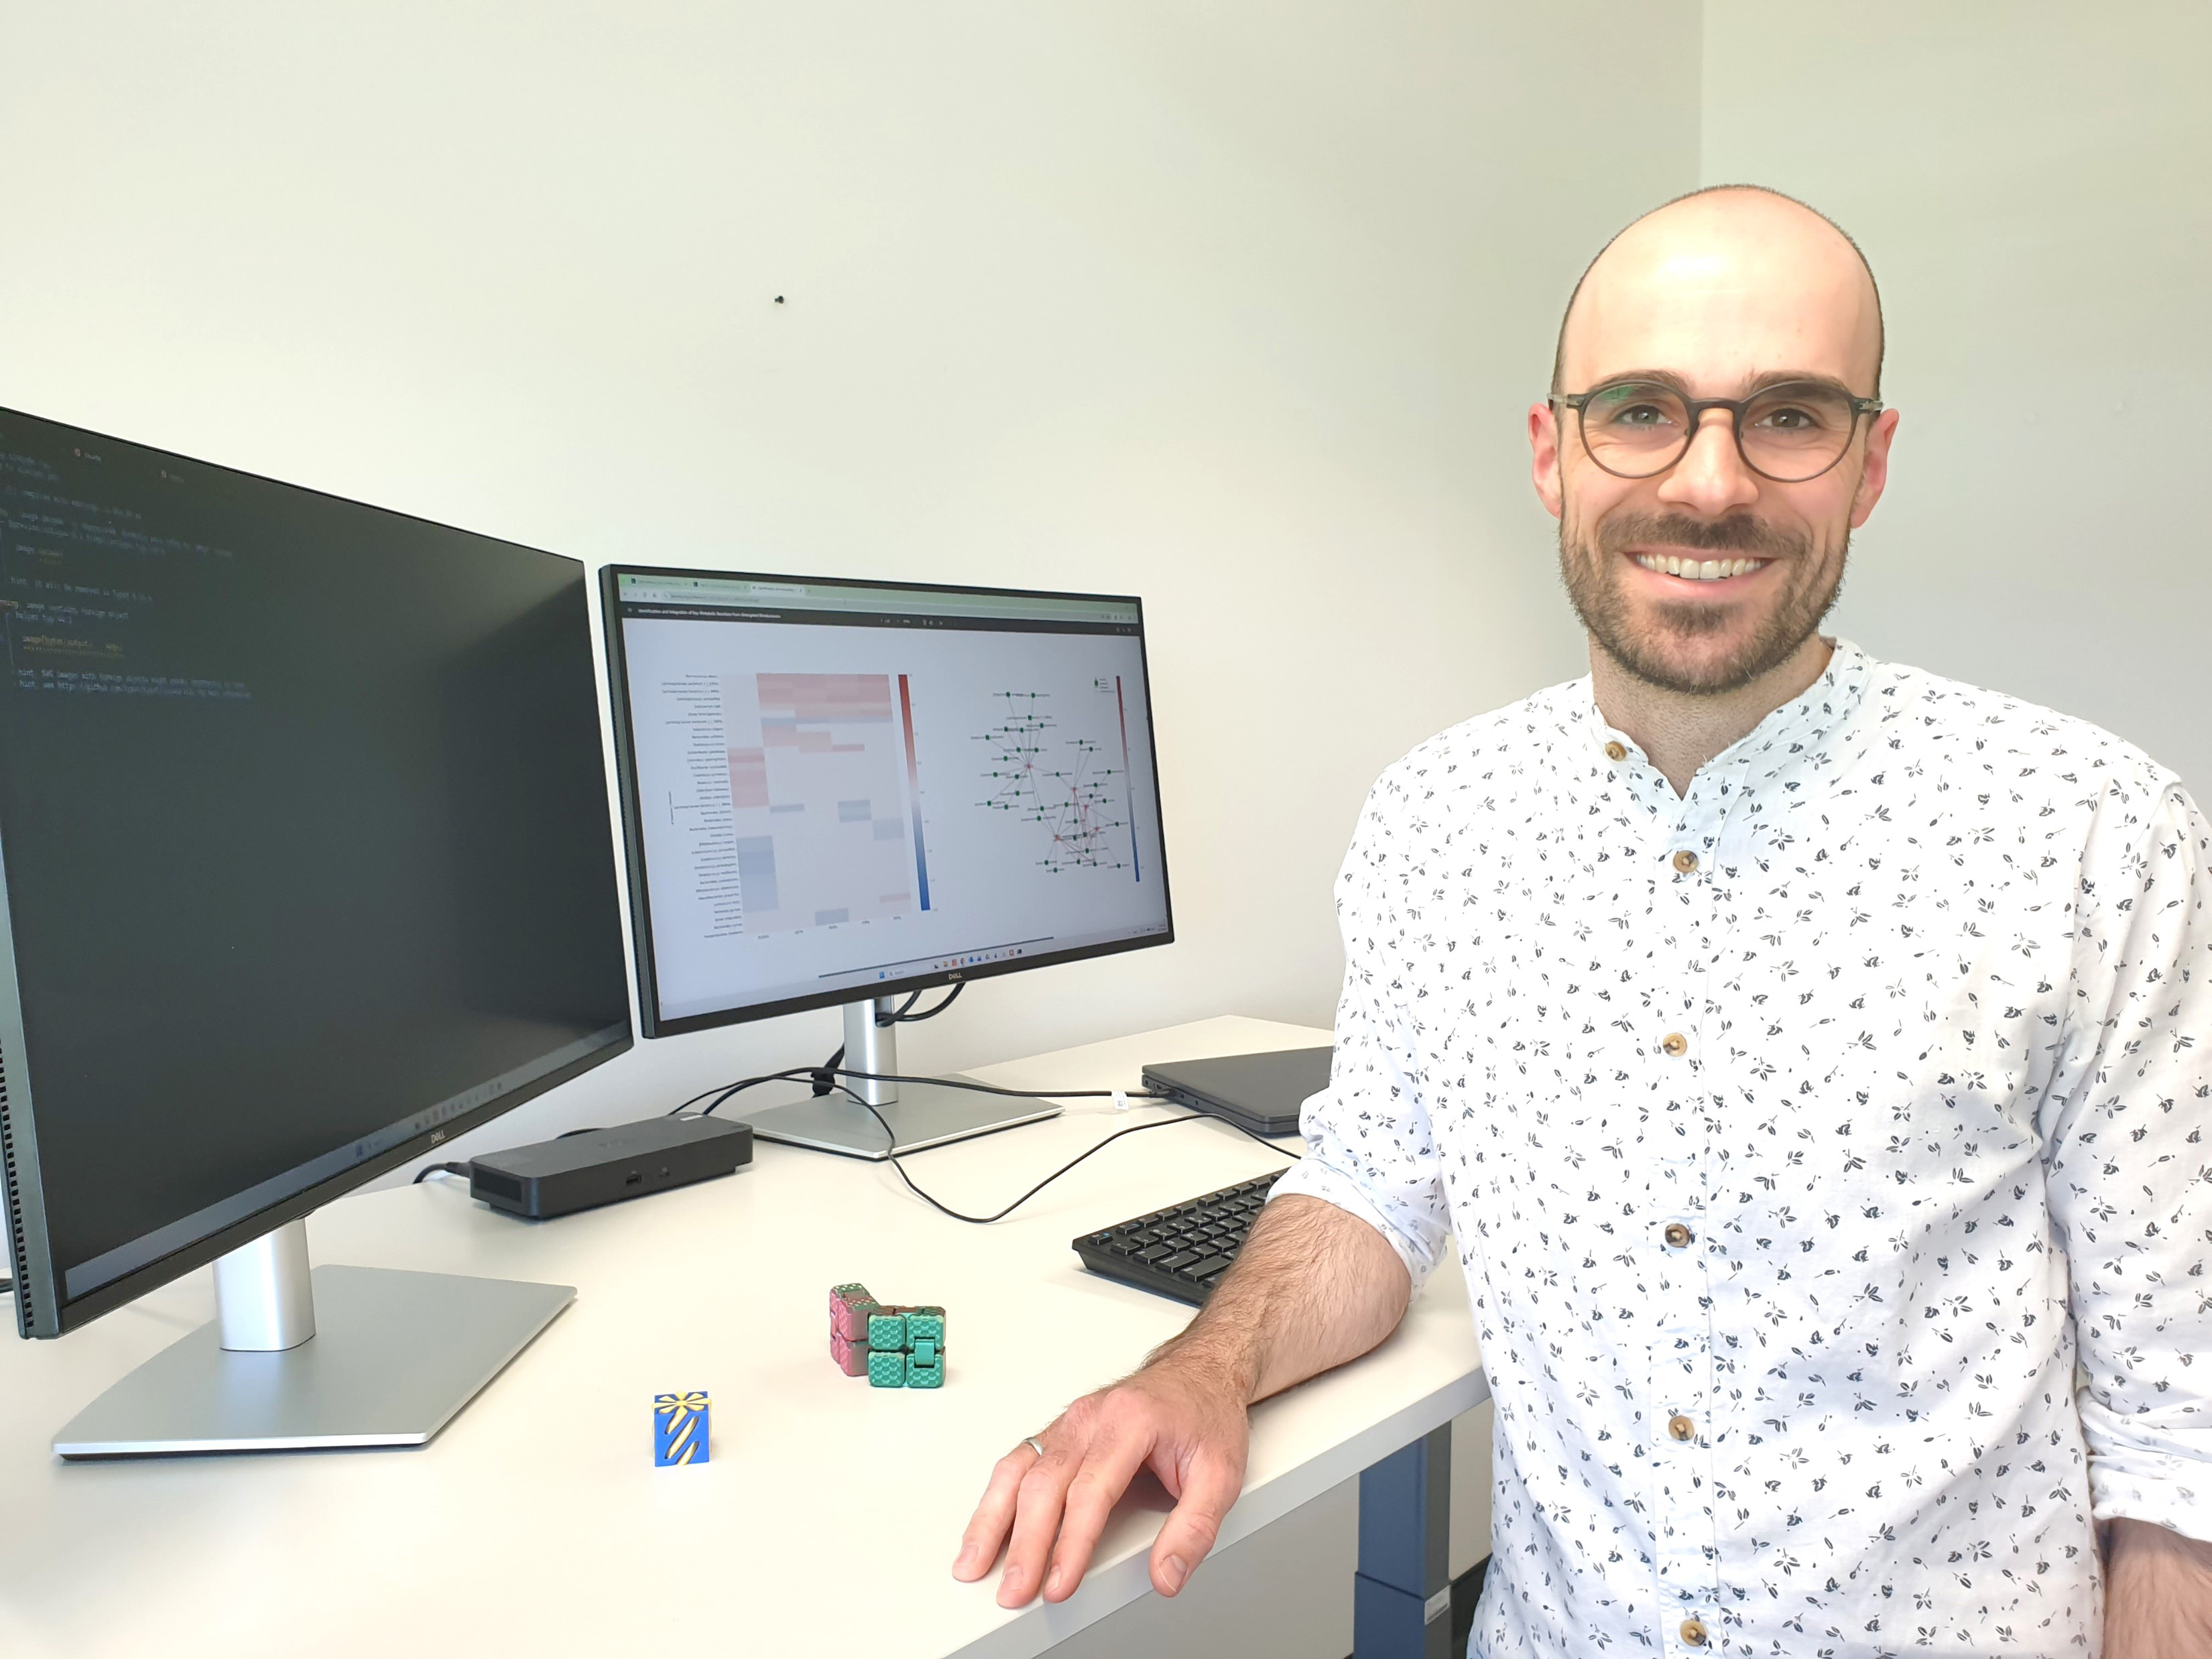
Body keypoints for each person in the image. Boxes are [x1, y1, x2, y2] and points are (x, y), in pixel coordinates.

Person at [950, 186, 2212, 1657]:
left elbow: (2176, 1413)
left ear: (1868, 465)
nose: (1710, 484)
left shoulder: (2087, 829)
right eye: (1642, 410)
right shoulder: (1439, 820)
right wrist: (1201, 1370)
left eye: (1789, 416)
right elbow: (1369, 1188)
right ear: (1553, 454)